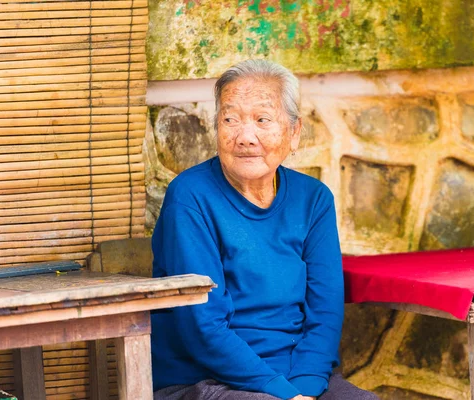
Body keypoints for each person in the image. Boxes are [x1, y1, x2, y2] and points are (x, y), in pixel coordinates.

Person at [151, 59, 379, 400]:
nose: (245, 137)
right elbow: (203, 326)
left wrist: (302, 390)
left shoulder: (313, 199)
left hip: (298, 376)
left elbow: (325, 313)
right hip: (207, 379)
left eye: (262, 120)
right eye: (230, 120)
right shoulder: (190, 197)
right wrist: (280, 393)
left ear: (294, 132)